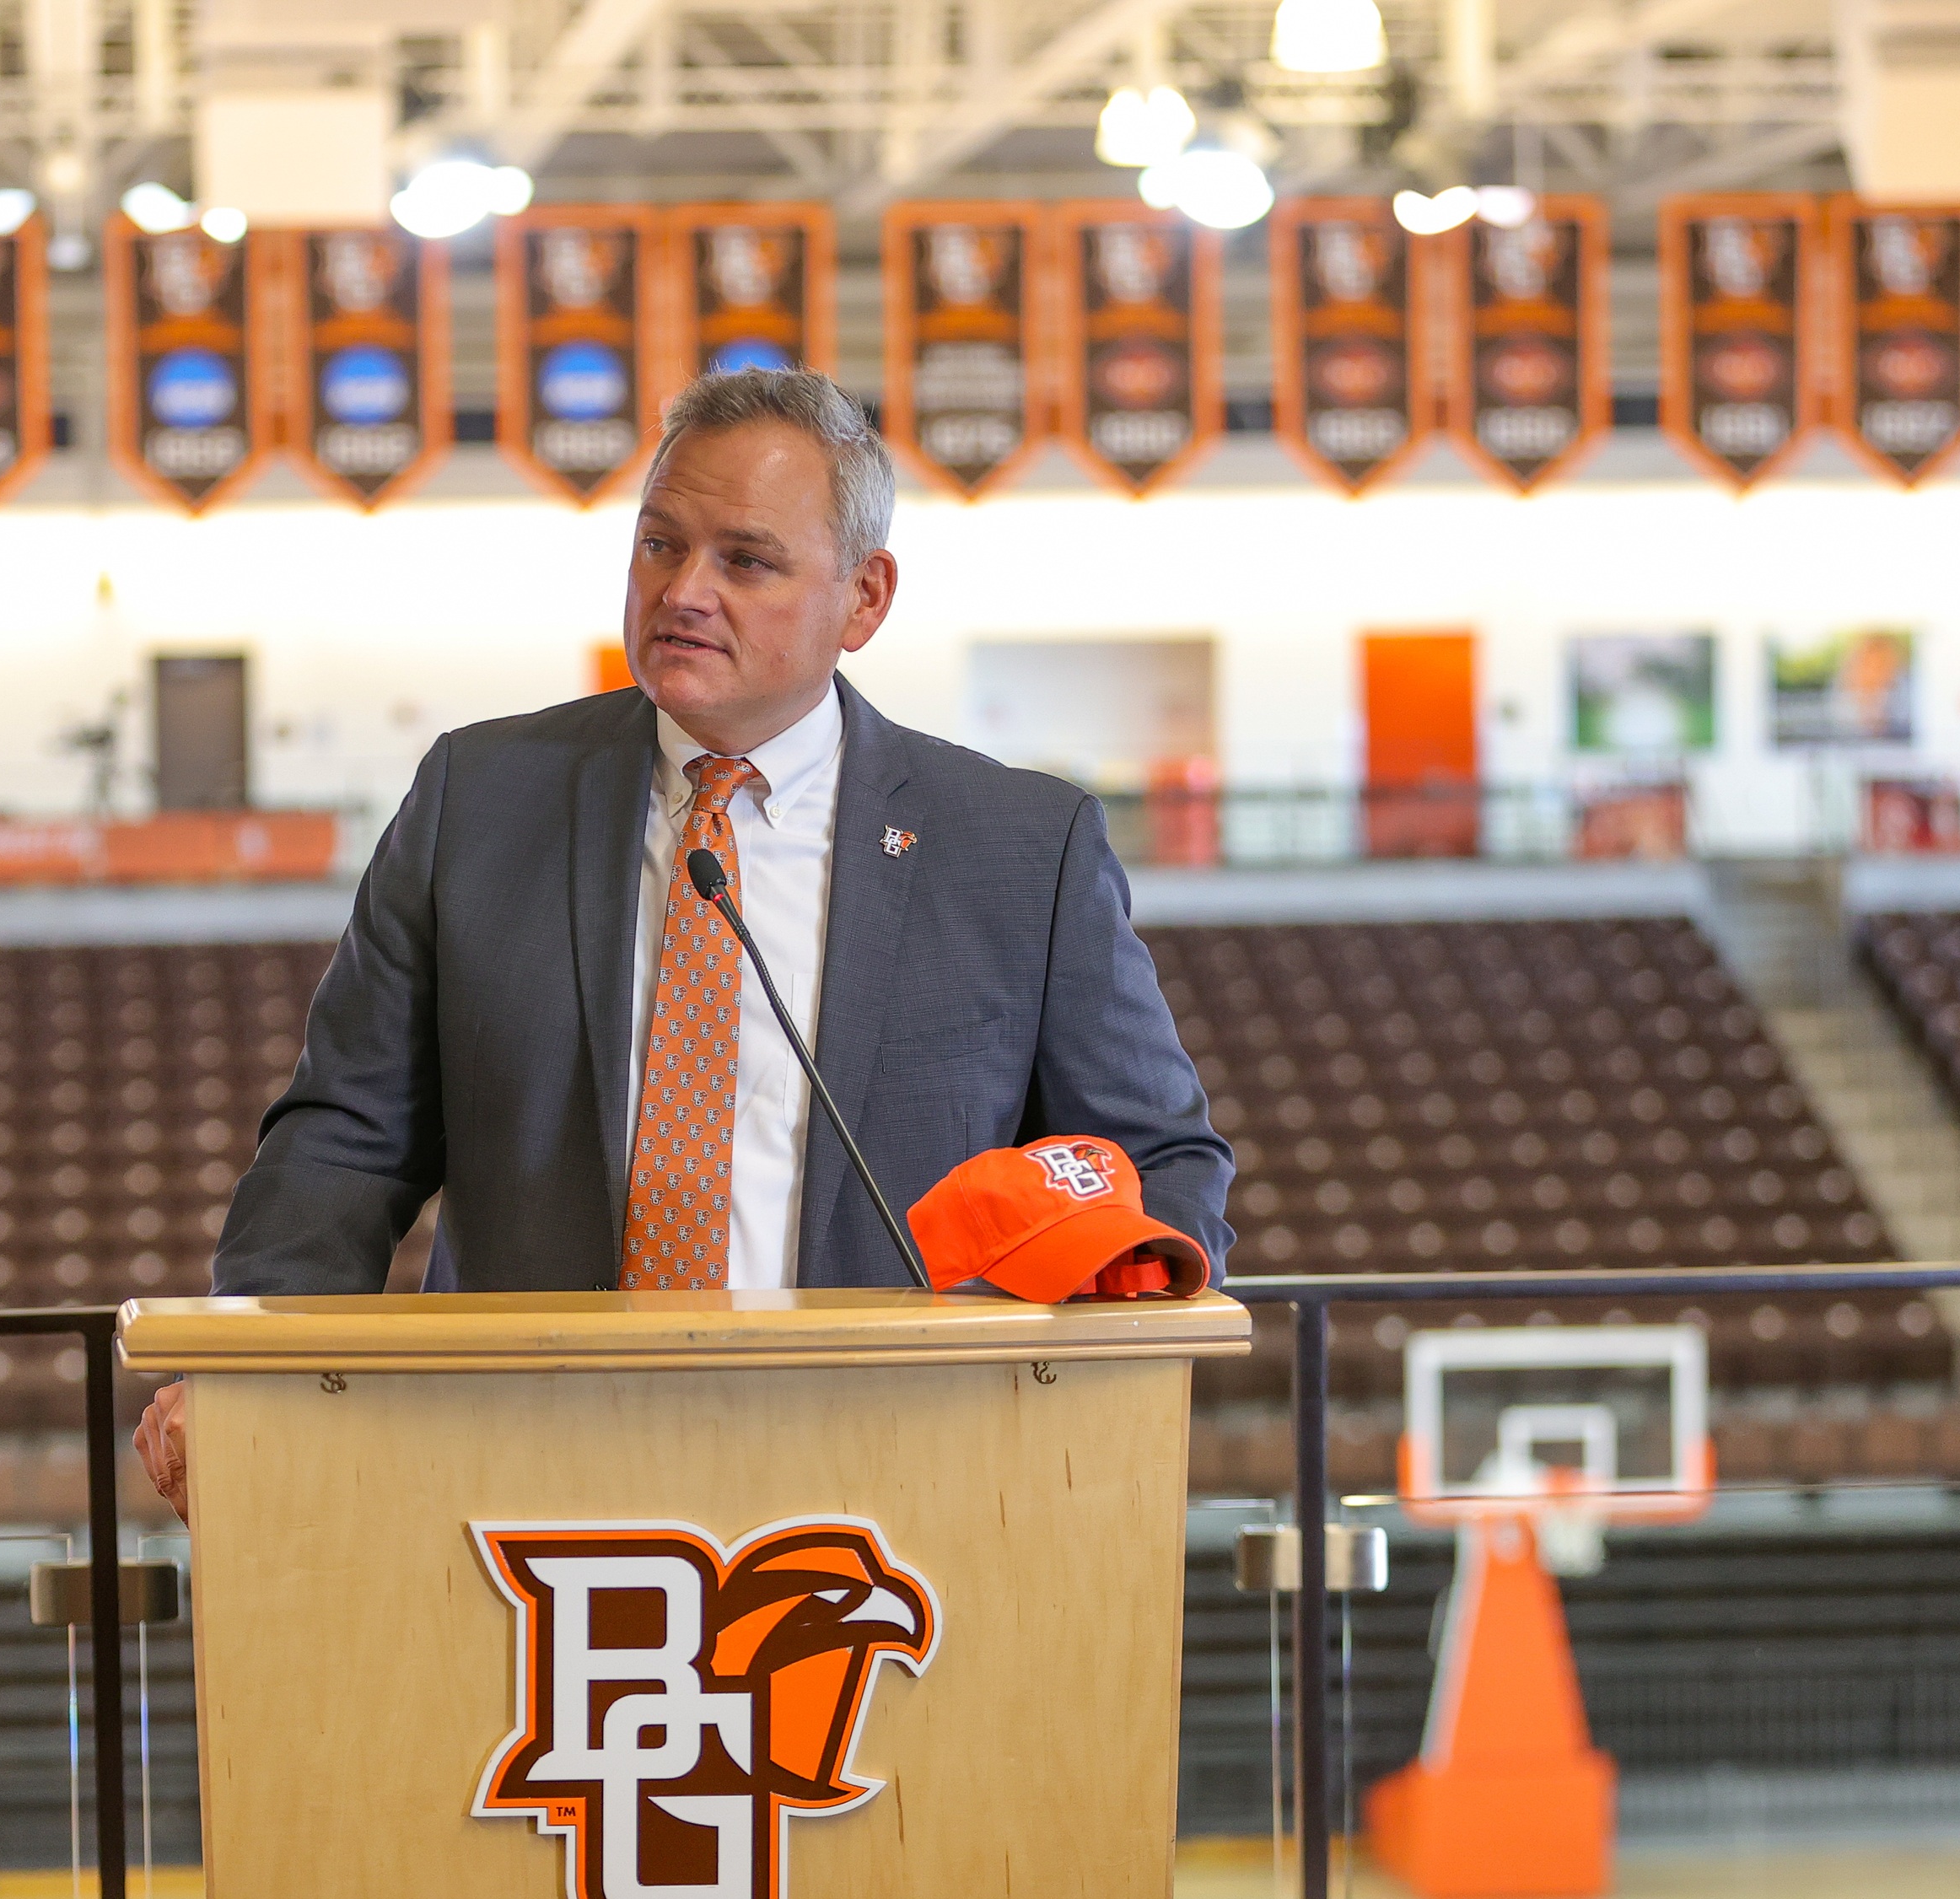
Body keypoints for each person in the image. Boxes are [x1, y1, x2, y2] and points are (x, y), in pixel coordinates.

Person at [134, 366, 1231, 1515]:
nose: (684, 591)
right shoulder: (481, 797)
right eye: (661, 546)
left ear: (865, 598)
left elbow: (1159, 1162)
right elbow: (346, 1142)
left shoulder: (1016, 846)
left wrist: (1079, 1379)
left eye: (745, 561)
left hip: (903, 1479)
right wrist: (248, 1365)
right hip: (529, 1480)